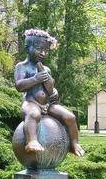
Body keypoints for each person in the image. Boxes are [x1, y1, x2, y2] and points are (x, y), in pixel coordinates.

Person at [14, 29, 84, 157]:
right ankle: (32, 141)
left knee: (70, 117)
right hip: (31, 102)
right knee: (33, 115)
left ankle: (74, 143)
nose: (43, 53)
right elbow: (19, 86)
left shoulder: (46, 69)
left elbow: (50, 87)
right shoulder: (22, 66)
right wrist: (35, 79)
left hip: (48, 104)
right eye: (39, 49)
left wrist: (54, 92)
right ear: (27, 48)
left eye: (46, 50)